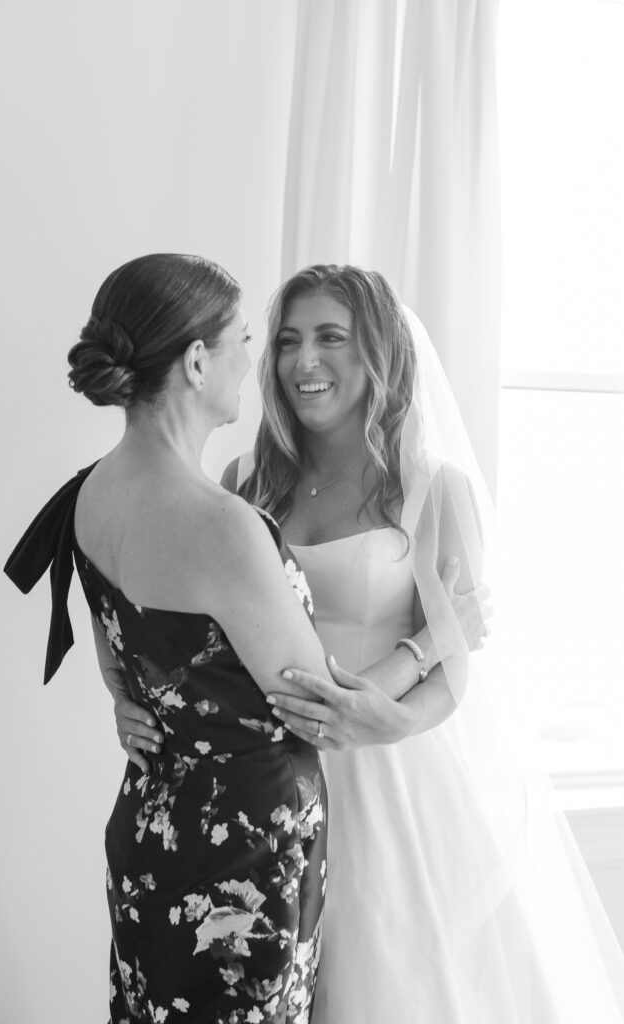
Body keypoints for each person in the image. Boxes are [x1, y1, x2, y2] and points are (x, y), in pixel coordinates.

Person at [114, 264, 624, 1023]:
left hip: (393, 785)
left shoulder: (433, 488)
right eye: (286, 340)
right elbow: (198, 640)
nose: (301, 362)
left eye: (330, 338)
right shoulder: (244, 480)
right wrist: (128, 697)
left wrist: (402, 719)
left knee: (380, 985)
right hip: (270, 776)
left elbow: (457, 674)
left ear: (379, 351)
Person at [4, 254, 331, 1024]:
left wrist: (136, 708)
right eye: (243, 340)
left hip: (151, 830)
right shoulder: (222, 528)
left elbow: (122, 667)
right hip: (244, 858)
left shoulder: (88, 494)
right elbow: (317, 709)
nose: (252, 363)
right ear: (194, 361)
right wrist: (431, 652)